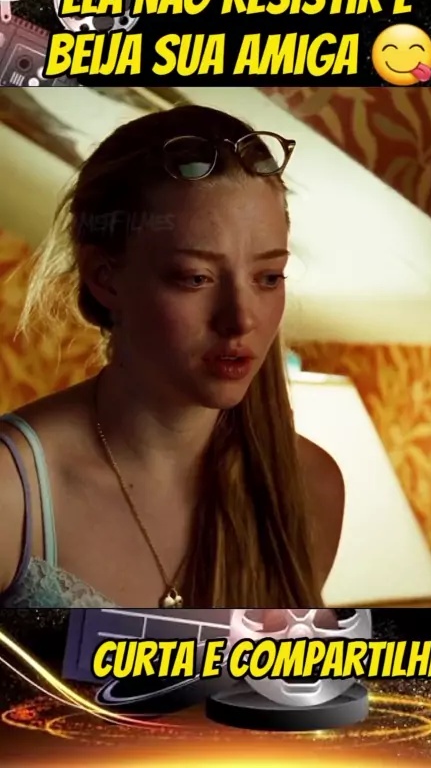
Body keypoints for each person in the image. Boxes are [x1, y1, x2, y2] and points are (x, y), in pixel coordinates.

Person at [0, 104, 344, 609]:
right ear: (105, 278)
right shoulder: (12, 489)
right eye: (195, 278)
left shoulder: (309, 488)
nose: (240, 319)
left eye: (269, 278)